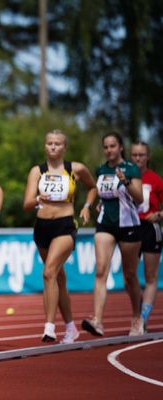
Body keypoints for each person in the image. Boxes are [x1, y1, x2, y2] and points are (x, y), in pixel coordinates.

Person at [23, 130, 97, 344]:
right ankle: (71, 327)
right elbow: (27, 204)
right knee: (58, 278)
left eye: (57, 144)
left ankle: (49, 326)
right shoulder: (37, 171)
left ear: (65, 147)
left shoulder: (76, 169)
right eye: (49, 143)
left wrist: (86, 206)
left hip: (65, 224)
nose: (53, 147)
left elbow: (92, 188)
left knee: (48, 273)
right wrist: (38, 197)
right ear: (45, 146)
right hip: (42, 226)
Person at [82, 131, 144, 337]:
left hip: (129, 226)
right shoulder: (100, 169)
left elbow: (139, 198)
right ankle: (97, 321)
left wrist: (125, 181)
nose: (109, 150)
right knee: (101, 271)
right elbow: (105, 195)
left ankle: (137, 317)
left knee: (129, 276)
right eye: (106, 147)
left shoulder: (131, 168)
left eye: (112, 146)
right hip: (105, 225)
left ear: (120, 148)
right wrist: (99, 205)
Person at [130, 141, 163, 331]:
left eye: (141, 155)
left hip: (151, 228)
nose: (137, 158)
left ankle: (142, 318)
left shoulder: (156, 180)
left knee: (151, 277)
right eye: (134, 155)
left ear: (147, 157)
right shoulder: (125, 177)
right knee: (130, 275)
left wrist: (158, 214)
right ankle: (136, 314)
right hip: (131, 228)